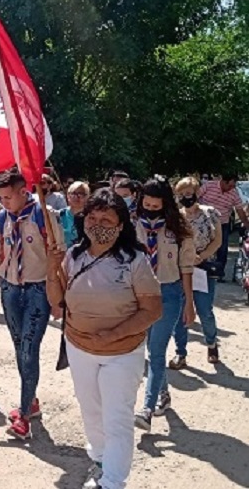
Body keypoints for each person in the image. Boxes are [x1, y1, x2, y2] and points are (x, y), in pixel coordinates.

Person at [45, 189, 161, 489]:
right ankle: (99, 460)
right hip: (80, 348)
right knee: (91, 411)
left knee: (117, 418)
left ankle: (112, 482)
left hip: (122, 354)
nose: (98, 224)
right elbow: (58, 306)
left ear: (121, 224)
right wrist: (50, 266)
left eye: (107, 219)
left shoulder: (135, 261)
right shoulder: (73, 256)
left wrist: (115, 334)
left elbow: (152, 309)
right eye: (93, 217)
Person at [0, 168, 65, 440]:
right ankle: (31, 399)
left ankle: (24, 415)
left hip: (38, 289)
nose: (4, 203)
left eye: (8, 197)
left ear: (23, 192)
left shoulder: (44, 216)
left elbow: (59, 255)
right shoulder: (1, 219)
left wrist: (58, 297)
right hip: (11, 290)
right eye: (0, 197)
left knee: (29, 349)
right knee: (19, 348)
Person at [134, 175, 196, 431]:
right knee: (147, 351)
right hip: (139, 294)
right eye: (146, 206)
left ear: (166, 204)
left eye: (155, 207)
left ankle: (147, 408)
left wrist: (189, 302)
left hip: (169, 293)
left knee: (157, 351)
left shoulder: (179, 227)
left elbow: (186, 267)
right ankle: (164, 394)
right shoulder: (132, 223)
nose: (150, 211)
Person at [169, 177, 223, 367]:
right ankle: (180, 353)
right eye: (181, 194)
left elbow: (218, 239)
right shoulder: (176, 216)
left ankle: (211, 343)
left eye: (189, 193)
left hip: (204, 268)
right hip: (181, 270)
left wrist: (202, 256)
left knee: (204, 310)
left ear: (197, 193)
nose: (185, 197)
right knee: (180, 312)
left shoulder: (210, 213)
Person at [198, 173, 249, 281]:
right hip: (204, 223)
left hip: (222, 224)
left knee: (222, 248)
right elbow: (196, 197)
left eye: (233, 186)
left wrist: (246, 224)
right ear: (223, 181)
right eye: (230, 186)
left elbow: (240, 210)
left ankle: (219, 272)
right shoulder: (208, 186)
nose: (231, 188)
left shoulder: (233, 194)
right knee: (202, 246)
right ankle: (201, 269)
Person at [60, 181, 90, 247]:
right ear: (68, 196)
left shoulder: (91, 217)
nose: (77, 197)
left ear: (88, 197)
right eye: (73, 193)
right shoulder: (59, 215)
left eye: (81, 194)